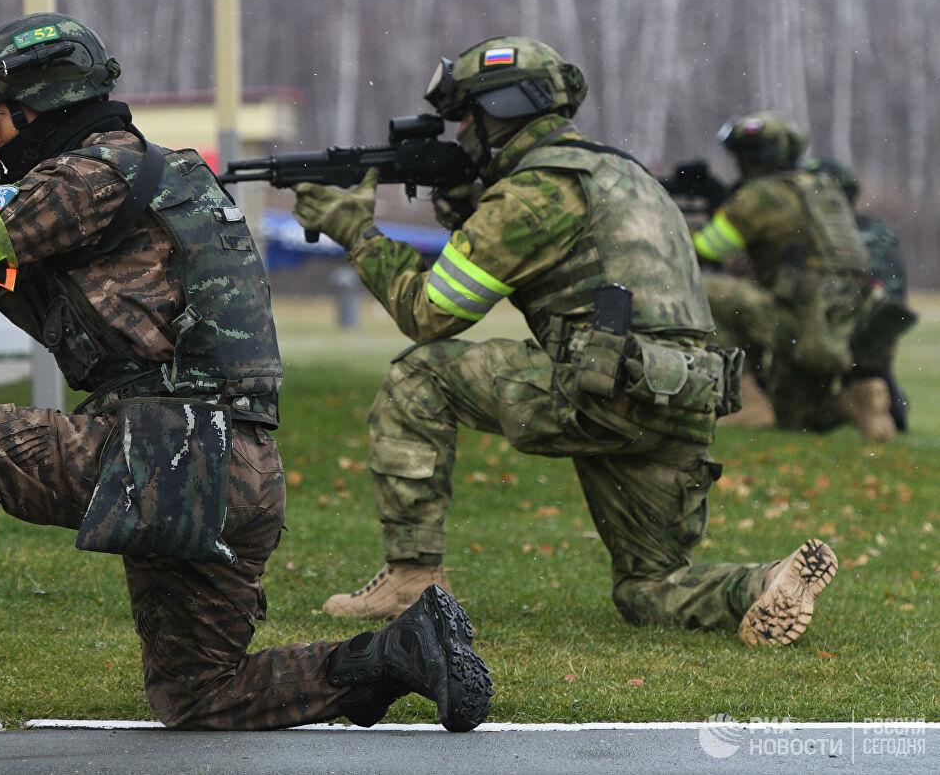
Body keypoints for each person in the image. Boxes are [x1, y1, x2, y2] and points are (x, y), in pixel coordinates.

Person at [0, 12, 492, 733]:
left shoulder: (90, 176)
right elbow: (40, 290)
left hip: (169, 450)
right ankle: (400, 653)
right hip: (233, 466)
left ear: (44, 107)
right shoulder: (157, 174)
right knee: (201, 693)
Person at [289, 36, 836, 648]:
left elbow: (431, 313)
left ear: (498, 111)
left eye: (466, 115)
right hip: (683, 395)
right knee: (648, 587)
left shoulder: (536, 188)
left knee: (421, 374)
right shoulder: (624, 174)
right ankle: (767, 581)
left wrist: (355, 230)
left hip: (602, 390)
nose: (461, 131)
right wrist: (464, 203)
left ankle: (412, 577)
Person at [692, 114, 896, 442]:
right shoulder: (821, 188)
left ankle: (744, 401)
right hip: (842, 328)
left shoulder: (761, 195)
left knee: (696, 288)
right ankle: (855, 401)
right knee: (796, 418)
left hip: (800, 323)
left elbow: (705, 249)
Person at [804, 157, 916, 432]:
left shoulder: (821, 234)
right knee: (874, 374)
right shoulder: (878, 231)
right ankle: (887, 405)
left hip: (830, 334)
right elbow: (893, 294)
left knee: (801, 410)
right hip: (873, 335)